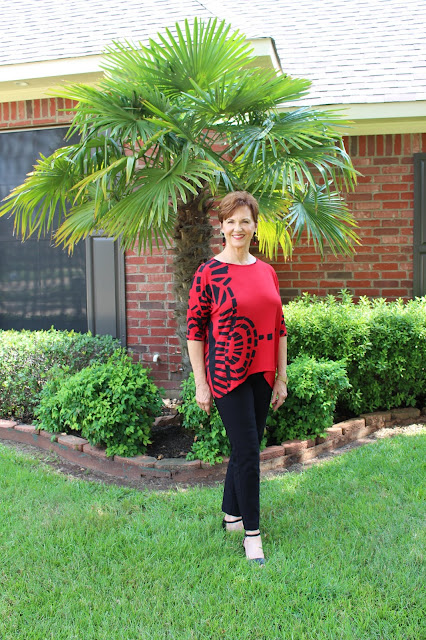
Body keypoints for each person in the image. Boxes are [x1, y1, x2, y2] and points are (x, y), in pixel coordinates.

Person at [186, 191, 288, 566]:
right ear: (222, 227)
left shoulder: (267, 272)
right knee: (248, 452)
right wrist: (201, 383)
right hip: (226, 374)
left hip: (263, 373)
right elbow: (194, 332)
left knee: (246, 446)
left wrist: (282, 377)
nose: (238, 228)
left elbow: (280, 328)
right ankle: (252, 536)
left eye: (245, 220)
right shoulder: (208, 273)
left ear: (255, 226)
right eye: (230, 221)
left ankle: (231, 513)